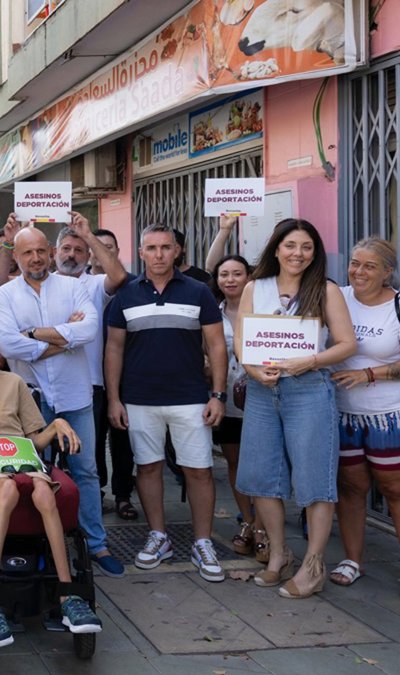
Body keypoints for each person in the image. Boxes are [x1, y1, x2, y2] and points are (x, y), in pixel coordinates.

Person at [0, 317, 102, 648]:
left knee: (44, 491)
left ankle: (67, 594)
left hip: (21, 454)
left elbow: (35, 440)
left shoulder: (14, 383)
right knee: (8, 489)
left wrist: (56, 425)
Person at [0, 226, 126, 578]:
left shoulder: (73, 287)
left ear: (50, 252)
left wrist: (33, 334)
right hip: (31, 400)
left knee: (86, 471)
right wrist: (64, 338)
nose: (35, 258)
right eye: (27, 253)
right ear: (16, 256)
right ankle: (43, 545)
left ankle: (96, 544)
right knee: (35, 475)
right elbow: (7, 345)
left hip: (75, 395)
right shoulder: (4, 296)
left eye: (41, 251)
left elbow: (88, 331)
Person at [235, 219, 356, 597]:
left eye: (306, 247)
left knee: (314, 479)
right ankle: (278, 553)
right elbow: (241, 338)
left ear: (315, 253)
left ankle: (313, 565)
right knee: (262, 476)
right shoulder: (255, 287)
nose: (297, 254)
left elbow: (347, 343)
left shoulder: (325, 289)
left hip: (309, 390)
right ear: (276, 248)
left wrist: (312, 361)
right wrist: (253, 369)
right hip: (262, 391)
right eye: (290, 245)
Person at [105, 225, 228, 583]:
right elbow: (113, 349)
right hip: (140, 398)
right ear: (140, 252)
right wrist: (114, 399)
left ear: (177, 250)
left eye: (165, 247)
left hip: (191, 397)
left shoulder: (198, 291)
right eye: (151, 248)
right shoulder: (125, 295)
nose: (158, 254)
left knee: (199, 470)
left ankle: (203, 542)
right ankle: (159, 537)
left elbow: (216, 346)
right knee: (148, 468)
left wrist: (218, 394)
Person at [329, 238, 400, 600]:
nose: (358, 272)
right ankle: (352, 560)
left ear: (388, 271)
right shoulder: (337, 298)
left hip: (394, 415)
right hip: (343, 414)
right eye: (354, 263)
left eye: (369, 266)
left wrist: (370, 374)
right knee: (350, 488)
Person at [52, 215, 134, 521]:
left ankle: (87, 520)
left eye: (79, 250)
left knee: (87, 457)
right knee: (47, 457)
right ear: (55, 252)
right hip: (46, 386)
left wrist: (89, 235)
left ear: (89, 256)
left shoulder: (96, 284)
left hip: (90, 385)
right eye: (66, 248)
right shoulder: (42, 283)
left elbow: (119, 275)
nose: (71, 255)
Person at [204, 214, 257, 557]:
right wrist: (224, 229)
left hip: (263, 399)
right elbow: (210, 266)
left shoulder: (265, 308)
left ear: (249, 277)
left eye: (238, 273)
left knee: (264, 465)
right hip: (227, 401)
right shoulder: (212, 312)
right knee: (235, 464)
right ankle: (248, 523)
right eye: (225, 275)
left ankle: (265, 525)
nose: (230, 279)